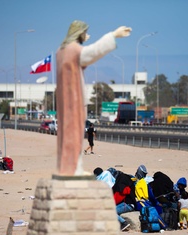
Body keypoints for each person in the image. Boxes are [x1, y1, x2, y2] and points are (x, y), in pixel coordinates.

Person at [55, 20, 131, 175]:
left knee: (70, 134)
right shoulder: (72, 50)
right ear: (78, 33)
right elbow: (92, 52)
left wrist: (81, 42)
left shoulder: (61, 51)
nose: (86, 35)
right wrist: (113, 35)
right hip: (73, 98)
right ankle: (73, 169)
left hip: (66, 98)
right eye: (84, 32)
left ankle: (71, 167)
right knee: (73, 134)